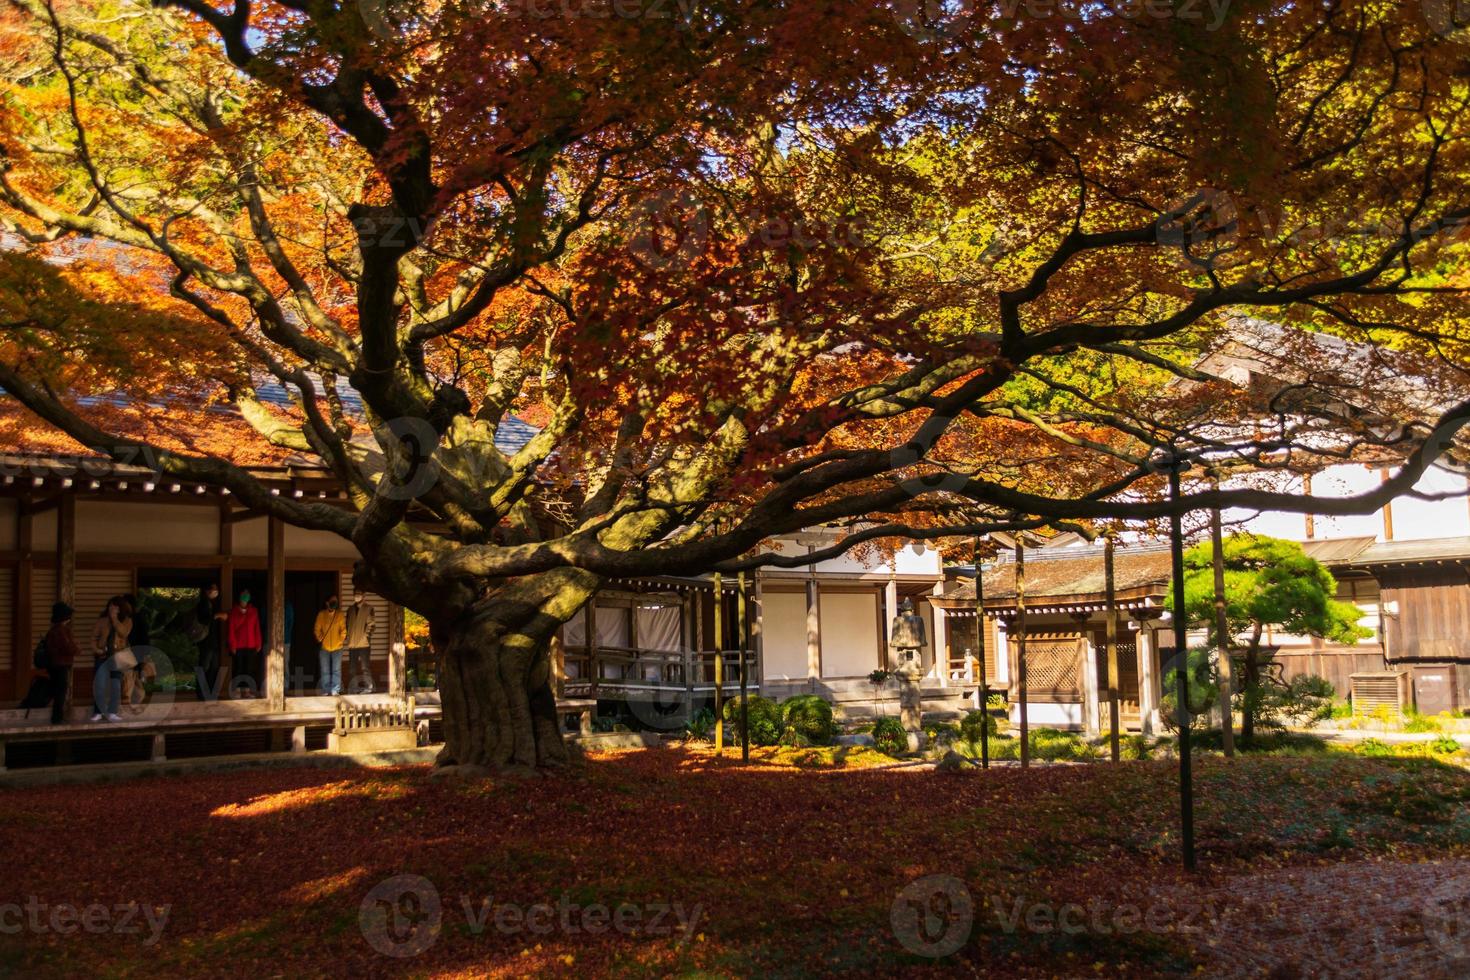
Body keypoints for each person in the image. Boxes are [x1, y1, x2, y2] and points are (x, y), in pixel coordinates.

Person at [90, 596, 133, 723]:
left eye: (115, 606)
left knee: (116, 686)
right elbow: (93, 638)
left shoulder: (127, 621)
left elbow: (123, 633)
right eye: (110, 606)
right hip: (102, 656)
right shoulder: (102, 621)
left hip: (117, 657)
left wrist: (114, 618)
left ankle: (112, 712)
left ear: (120, 609)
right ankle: (98, 712)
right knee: (100, 684)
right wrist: (97, 650)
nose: (111, 608)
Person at [43, 602, 80, 724]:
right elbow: (68, 647)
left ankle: (57, 717)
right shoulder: (61, 630)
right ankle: (57, 718)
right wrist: (77, 649)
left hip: (55, 665)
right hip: (61, 665)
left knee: (58, 690)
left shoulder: (55, 630)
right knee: (60, 692)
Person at [194, 583, 227, 701]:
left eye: (216, 589)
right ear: (207, 591)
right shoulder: (202, 604)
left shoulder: (214, 604)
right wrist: (217, 615)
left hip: (214, 642)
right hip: (205, 641)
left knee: (214, 668)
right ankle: (202, 694)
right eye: (213, 589)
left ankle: (211, 693)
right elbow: (203, 620)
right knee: (204, 667)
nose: (215, 591)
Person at [227, 590, 262, 698]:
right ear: (239, 598)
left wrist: (258, 643)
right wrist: (232, 644)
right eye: (243, 596)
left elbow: (257, 628)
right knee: (238, 668)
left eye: (247, 596)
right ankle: (237, 691)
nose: (245, 598)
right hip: (238, 645)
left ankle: (247, 691)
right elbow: (231, 629)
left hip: (251, 644)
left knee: (249, 669)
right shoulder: (233, 611)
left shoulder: (254, 611)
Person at [313, 595, 347, 696]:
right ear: (327, 603)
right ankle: (326, 689)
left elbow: (343, 630)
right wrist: (320, 639)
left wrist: (340, 641)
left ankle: (335, 689)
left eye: (336, 601)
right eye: (332, 601)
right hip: (325, 647)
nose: (334, 603)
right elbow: (317, 629)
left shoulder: (340, 615)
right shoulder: (321, 614)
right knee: (325, 669)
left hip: (338, 647)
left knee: (336, 669)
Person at [345, 595, 377, 694]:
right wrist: (348, 637)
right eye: (355, 594)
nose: (356, 596)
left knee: (365, 667)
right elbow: (346, 624)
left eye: (359, 594)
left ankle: (369, 687)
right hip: (352, 643)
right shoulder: (350, 609)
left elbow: (372, 624)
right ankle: (354, 688)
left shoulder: (368, 608)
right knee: (352, 668)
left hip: (364, 643)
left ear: (363, 596)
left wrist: (366, 636)